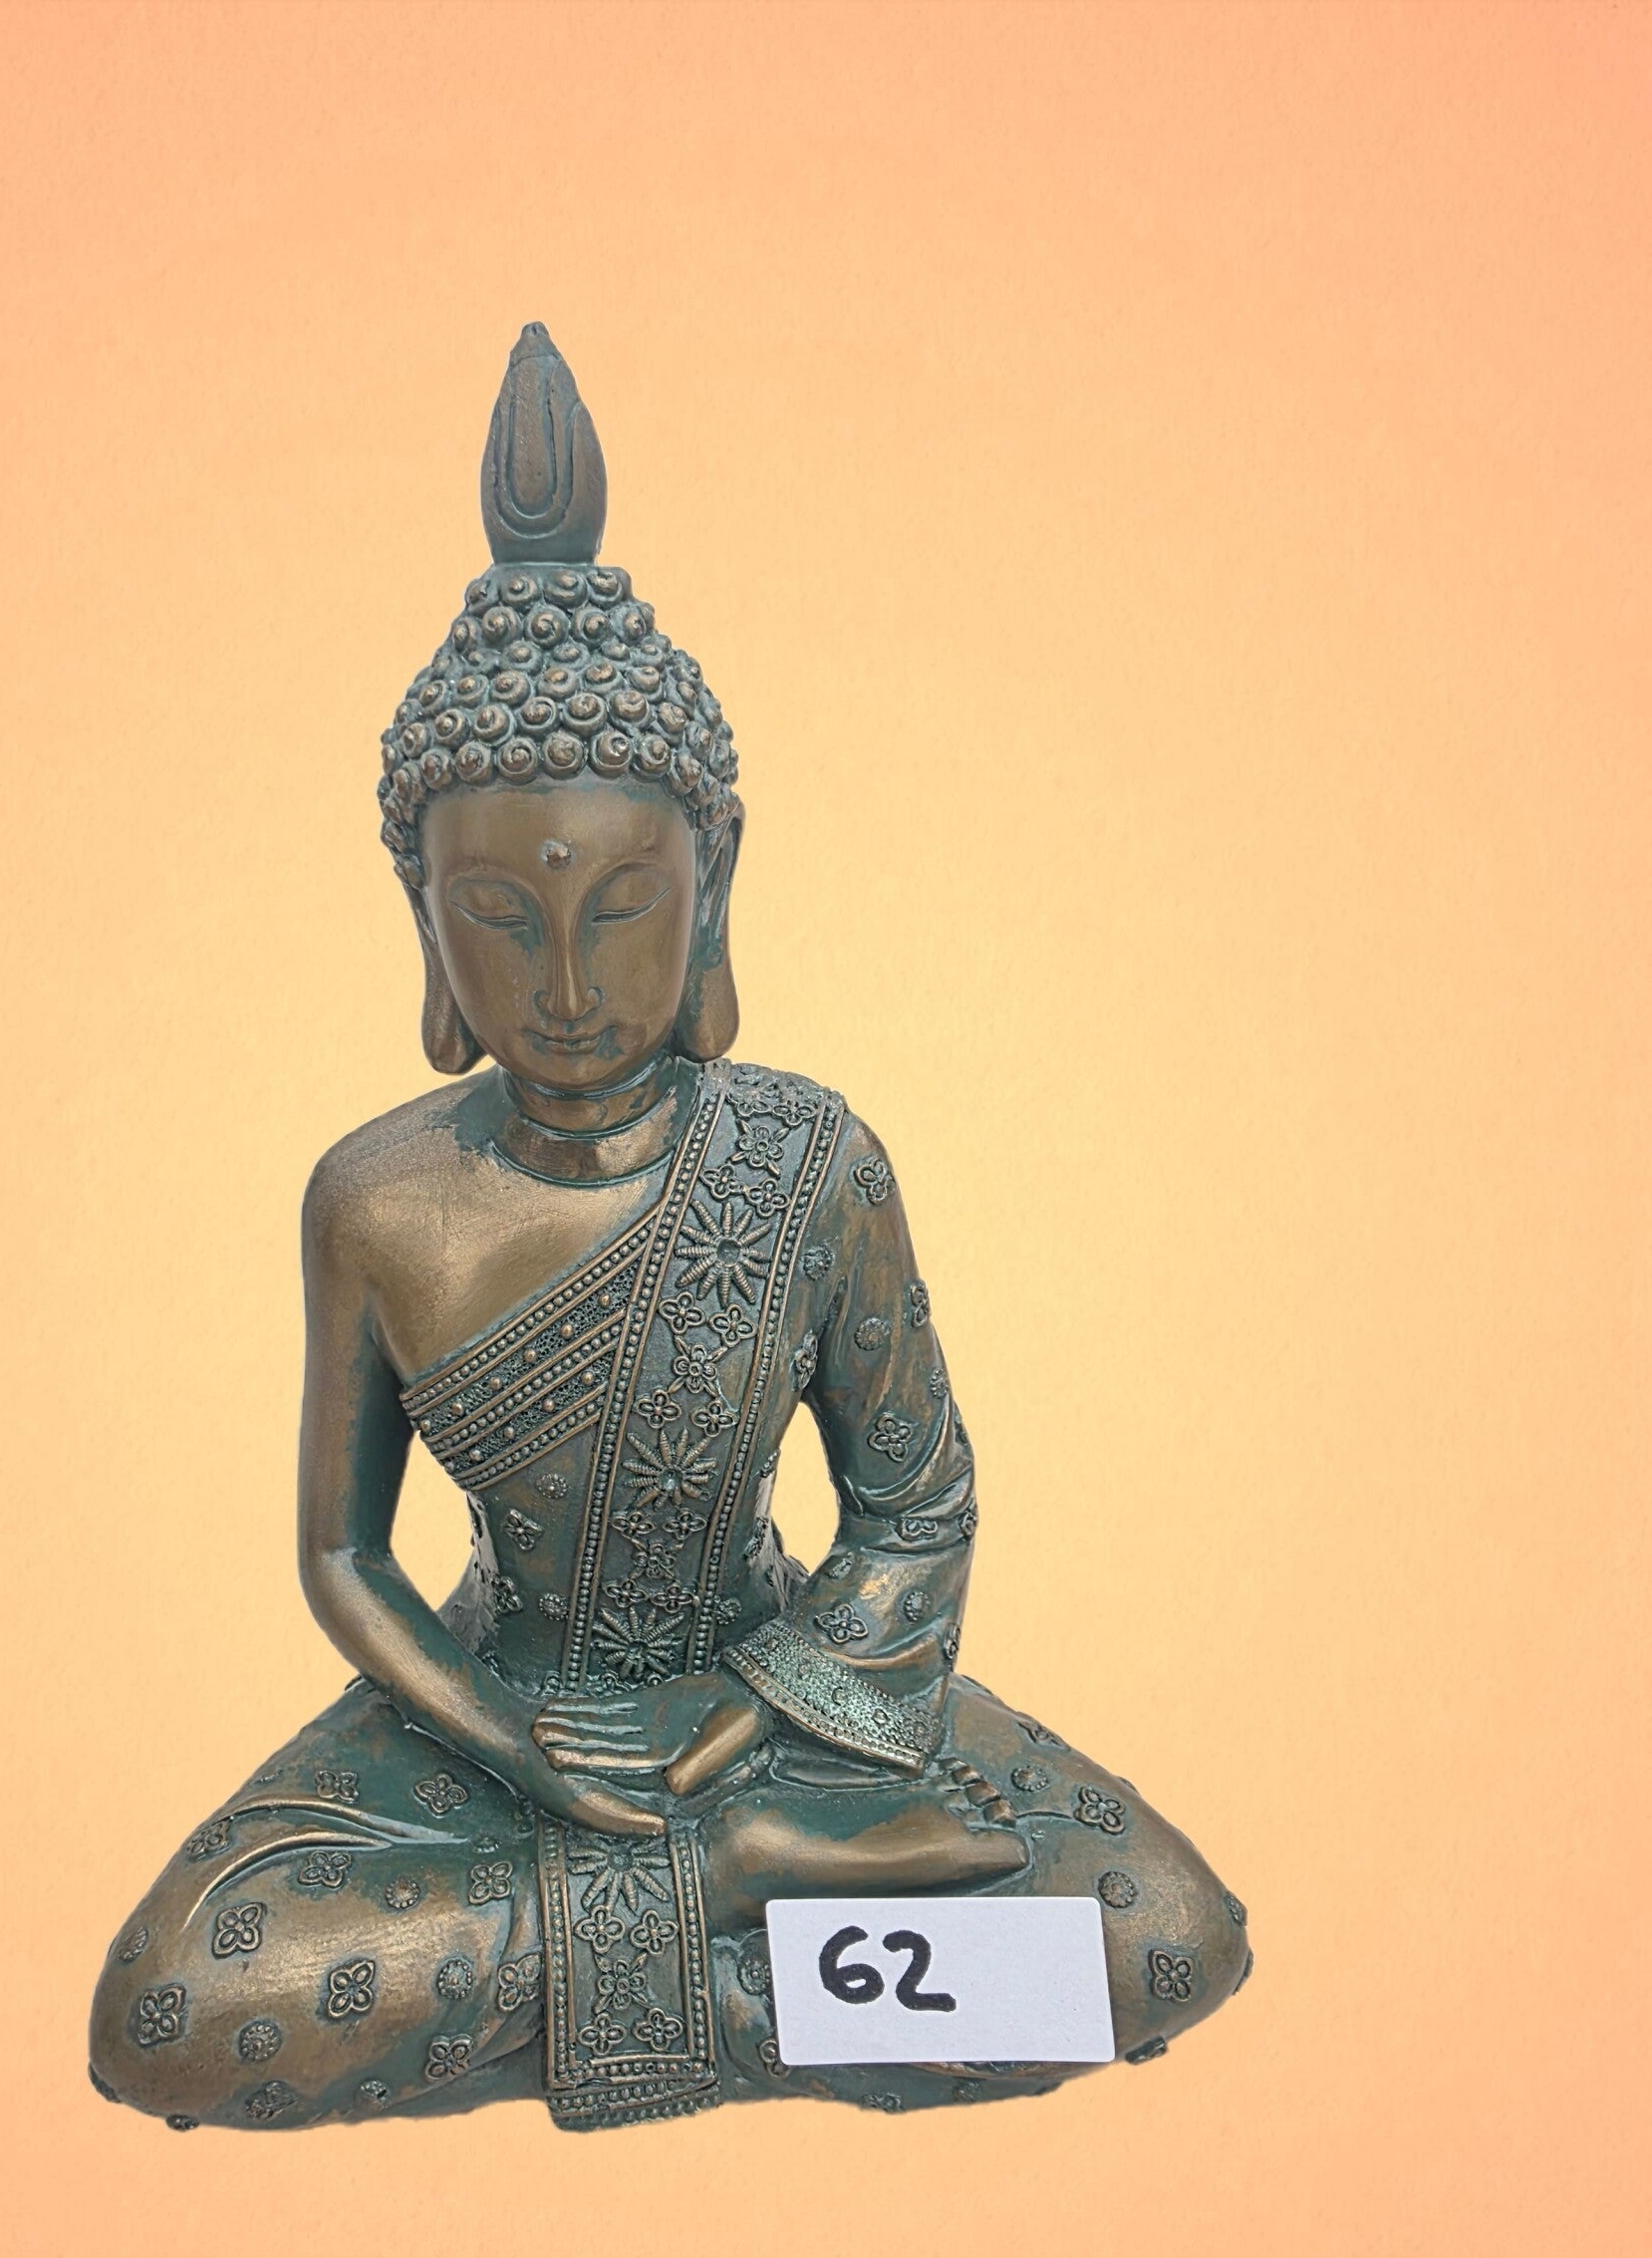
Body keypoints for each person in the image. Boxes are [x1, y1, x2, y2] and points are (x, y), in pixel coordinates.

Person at [90, 326, 1249, 2132]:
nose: (566, 981)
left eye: (623, 905)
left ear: (713, 892)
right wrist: (514, 1741)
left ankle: (627, 1945)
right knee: (175, 2003)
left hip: (781, 1717)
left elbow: (916, 1505)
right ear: (422, 917)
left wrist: (751, 1719)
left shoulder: (808, 1162)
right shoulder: (375, 1201)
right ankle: (738, 1920)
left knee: (1161, 1933)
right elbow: (342, 1555)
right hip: (489, 1728)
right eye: (500, 916)